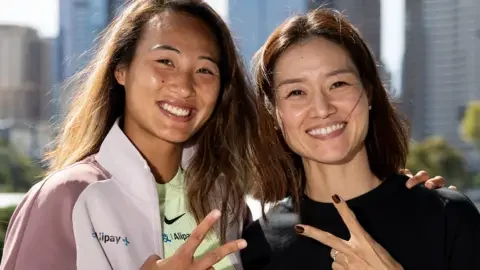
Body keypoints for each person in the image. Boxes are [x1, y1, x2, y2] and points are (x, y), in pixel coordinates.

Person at [0, 1, 450, 270]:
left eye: (205, 70)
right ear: (120, 70)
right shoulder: (67, 199)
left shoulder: (227, 208)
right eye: (165, 62)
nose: (184, 85)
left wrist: (406, 203)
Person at [241, 8, 480, 270]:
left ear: (368, 92)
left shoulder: (447, 217)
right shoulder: (256, 245)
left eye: (338, 84)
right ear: (274, 113)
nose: (322, 109)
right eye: (297, 92)